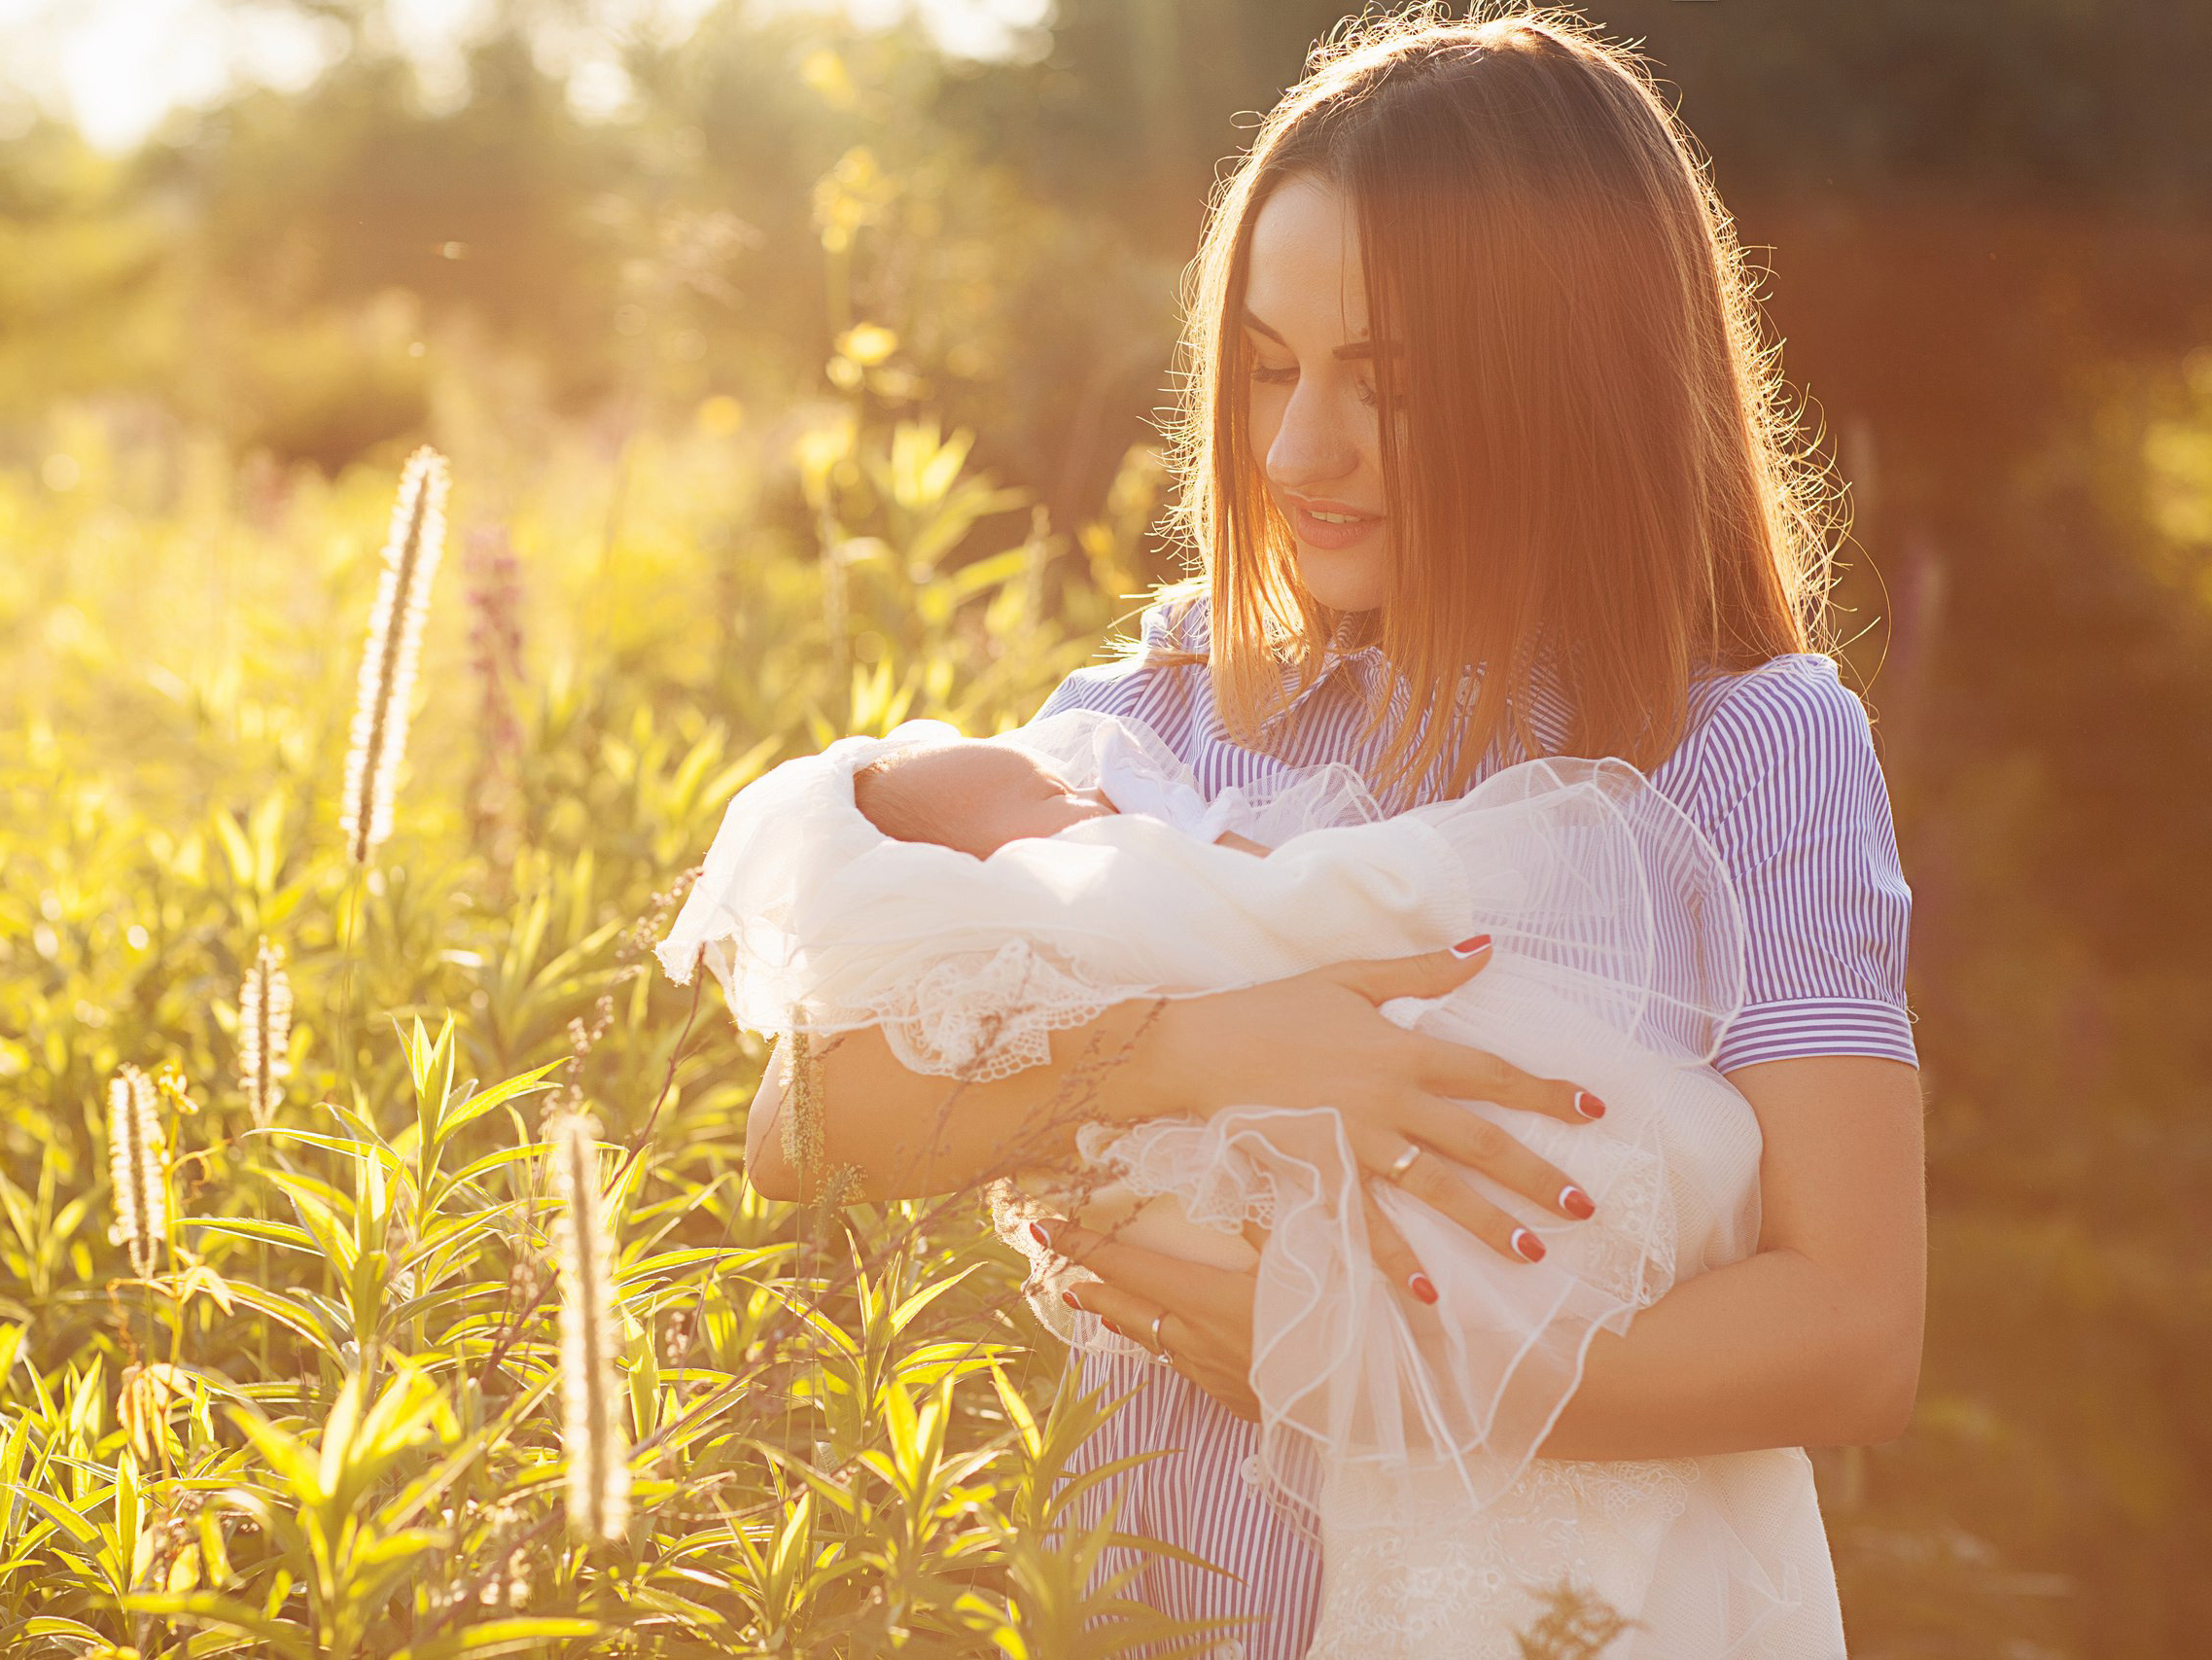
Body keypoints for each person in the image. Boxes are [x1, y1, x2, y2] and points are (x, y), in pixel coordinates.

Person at [743, 10, 1924, 1657]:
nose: (1300, 450)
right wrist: (1198, 1048)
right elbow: (803, 1123)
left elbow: (1853, 1333)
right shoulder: (1151, 722)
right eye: (1267, 368)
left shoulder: (1745, 748)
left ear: (1573, 384)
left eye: (1394, 387)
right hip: (1138, 1615)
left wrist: (1356, 1364)